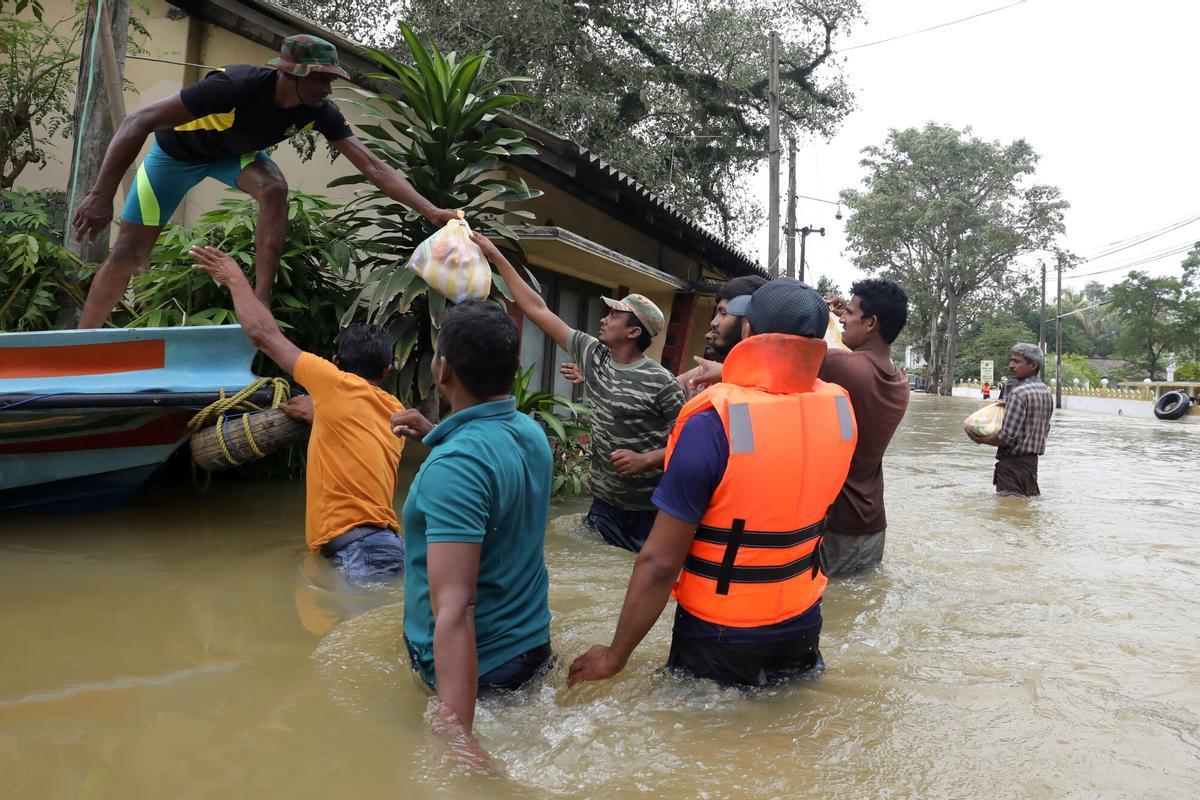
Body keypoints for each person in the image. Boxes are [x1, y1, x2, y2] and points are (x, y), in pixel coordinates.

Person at [568, 278, 857, 689]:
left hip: (722, 632)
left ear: (749, 333)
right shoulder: (841, 409)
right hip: (803, 620)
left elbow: (659, 564)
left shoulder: (712, 421)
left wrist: (615, 655)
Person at [73, 34, 455, 328]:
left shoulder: (320, 111)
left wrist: (433, 210)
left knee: (274, 188)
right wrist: (100, 196)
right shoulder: (234, 86)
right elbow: (136, 122)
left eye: (331, 80)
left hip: (232, 157)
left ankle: (260, 301)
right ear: (293, 74)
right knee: (129, 252)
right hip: (174, 156)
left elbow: (373, 166)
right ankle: (80, 344)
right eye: (322, 79)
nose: (327, 89)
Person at [390, 300, 553, 750]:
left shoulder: (456, 464)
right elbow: (490, 477)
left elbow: (456, 608)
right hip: (531, 646)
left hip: (481, 672)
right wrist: (438, 436)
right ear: (513, 366)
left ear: (442, 370)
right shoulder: (530, 433)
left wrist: (455, 733)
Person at [190, 245, 406, 582]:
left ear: (336, 363)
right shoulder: (395, 411)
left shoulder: (333, 383)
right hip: (390, 545)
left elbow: (263, 334)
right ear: (388, 370)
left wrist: (234, 279)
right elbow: (359, 437)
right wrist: (320, 415)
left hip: (358, 551)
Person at [468, 231, 684, 553]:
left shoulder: (662, 382)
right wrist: (496, 257)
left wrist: (648, 459)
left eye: (614, 315)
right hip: (602, 503)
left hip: (648, 512)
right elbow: (537, 310)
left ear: (634, 331)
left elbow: (690, 443)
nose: (604, 318)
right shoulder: (592, 353)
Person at [816, 279, 910, 575]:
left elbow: (784, 357)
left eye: (850, 314)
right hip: (871, 523)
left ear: (871, 322)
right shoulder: (900, 381)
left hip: (837, 525)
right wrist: (849, 309)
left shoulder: (842, 366)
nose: (841, 318)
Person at [969, 343, 1053, 497]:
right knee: (1023, 511)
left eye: (1017, 362)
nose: (1011, 365)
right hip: (1031, 466)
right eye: (1011, 361)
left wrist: (980, 439)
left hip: (1012, 466)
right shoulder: (1044, 391)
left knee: (1008, 513)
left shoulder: (1018, 393)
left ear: (1033, 365)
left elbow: (1006, 437)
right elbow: (1043, 428)